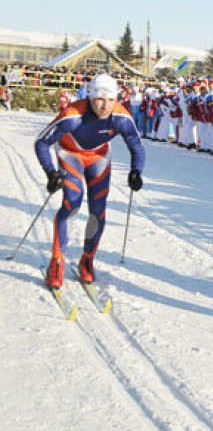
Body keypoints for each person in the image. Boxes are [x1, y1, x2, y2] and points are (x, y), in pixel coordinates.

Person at [34, 73, 146, 288]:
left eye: (110, 100)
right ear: (90, 98)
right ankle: (56, 261)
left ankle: (87, 259)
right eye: (99, 100)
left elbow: (136, 145)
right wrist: (50, 172)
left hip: (98, 157)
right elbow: (41, 142)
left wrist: (136, 171)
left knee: (98, 210)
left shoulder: (122, 117)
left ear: (117, 99)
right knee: (72, 202)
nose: (105, 106)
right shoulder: (73, 115)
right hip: (70, 153)